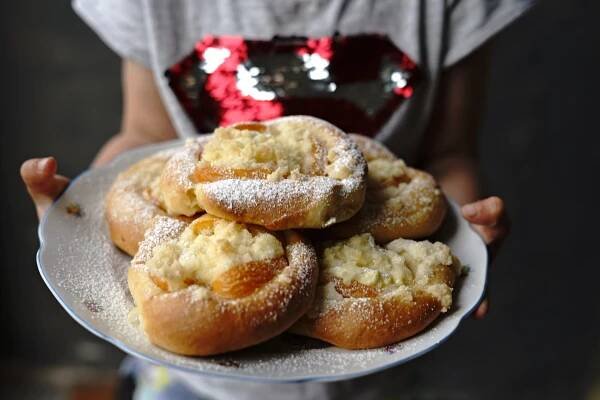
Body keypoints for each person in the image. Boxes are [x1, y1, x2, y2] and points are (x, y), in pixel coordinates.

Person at [21, 1, 528, 398]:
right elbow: (144, 136)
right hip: (186, 383)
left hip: (383, 379)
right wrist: (80, 211)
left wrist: (468, 237)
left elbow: (450, 155)